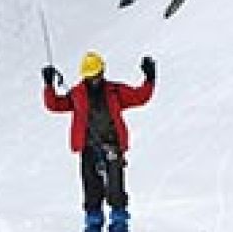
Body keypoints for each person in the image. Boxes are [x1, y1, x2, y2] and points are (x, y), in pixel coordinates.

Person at [42, 51, 156, 232]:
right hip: (88, 148)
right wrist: (49, 86)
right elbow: (55, 105)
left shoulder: (115, 91)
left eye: (96, 75)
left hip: (112, 146)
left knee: (115, 187)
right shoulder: (77, 94)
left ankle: (119, 223)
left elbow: (140, 97)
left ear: (102, 72)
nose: (94, 80)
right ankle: (93, 223)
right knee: (91, 187)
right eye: (90, 77)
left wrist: (149, 78)